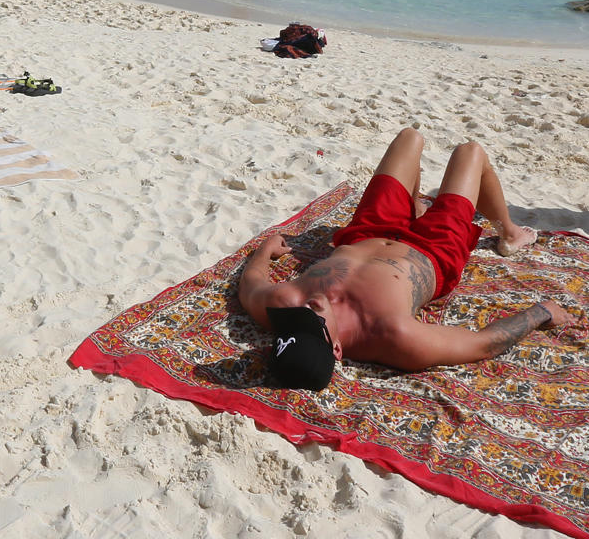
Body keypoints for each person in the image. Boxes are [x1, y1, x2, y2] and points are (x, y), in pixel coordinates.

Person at [238, 129, 570, 388]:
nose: (307, 307)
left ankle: (413, 206)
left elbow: (250, 284)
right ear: (336, 349)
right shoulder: (392, 336)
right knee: (470, 152)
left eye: (294, 321)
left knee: (408, 138)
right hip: (433, 250)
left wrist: (267, 251)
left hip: (366, 232)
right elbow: (483, 344)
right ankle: (509, 232)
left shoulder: (284, 305)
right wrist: (540, 313)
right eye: (312, 323)